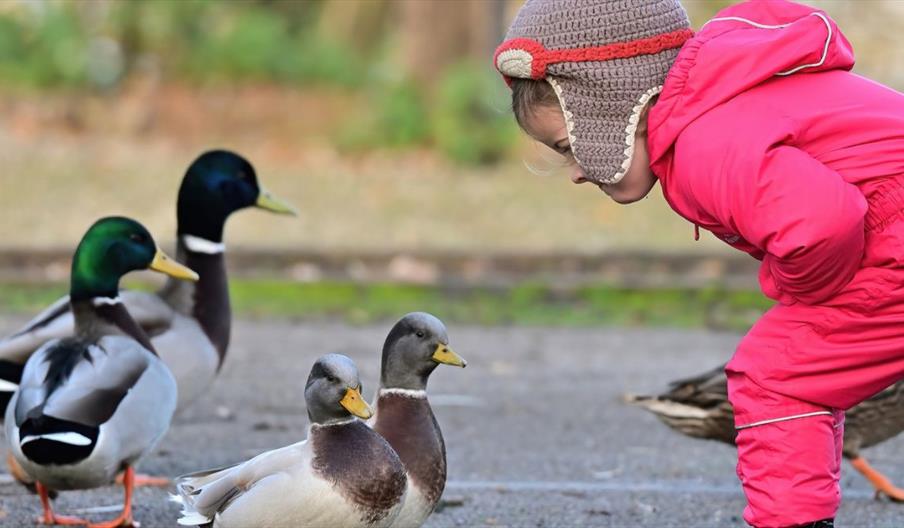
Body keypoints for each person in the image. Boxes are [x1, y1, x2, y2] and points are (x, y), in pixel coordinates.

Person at [493, 1, 904, 527]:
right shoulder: (727, 103)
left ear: (612, 108)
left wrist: (798, 287)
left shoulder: (702, 145)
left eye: (570, 146)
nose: (575, 172)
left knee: (776, 377)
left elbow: (822, 223)